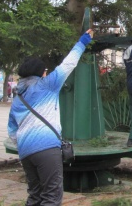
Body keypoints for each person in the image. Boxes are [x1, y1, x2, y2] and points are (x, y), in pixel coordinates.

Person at [7, 29, 93, 206]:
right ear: (40, 73)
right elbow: (68, 64)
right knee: (51, 197)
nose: (46, 73)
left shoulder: (17, 97)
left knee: (35, 195)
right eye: (45, 70)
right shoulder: (47, 85)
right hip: (46, 148)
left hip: (25, 152)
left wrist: (25, 144)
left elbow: (12, 131)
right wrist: (83, 41)